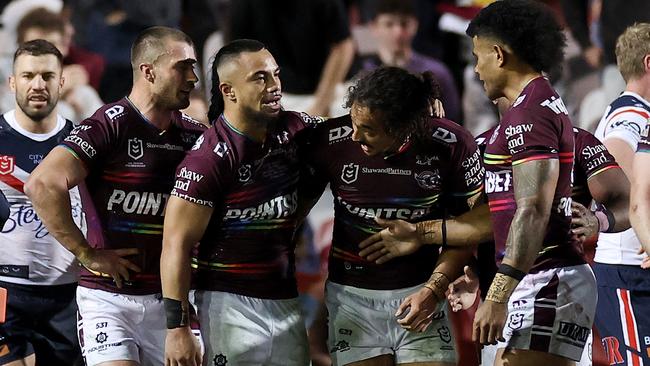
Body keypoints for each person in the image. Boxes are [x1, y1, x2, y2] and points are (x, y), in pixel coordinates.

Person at [24, 26, 205, 366]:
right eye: (182, 67)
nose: (193, 77)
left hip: (176, 302)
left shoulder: (197, 137)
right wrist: (85, 252)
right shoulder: (108, 126)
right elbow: (42, 184)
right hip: (109, 300)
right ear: (148, 71)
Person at [299, 66, 483, 366]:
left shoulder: (452, 145)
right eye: (354, 121)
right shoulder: (330, 141)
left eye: (369, 129)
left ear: (403, 128)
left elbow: (471, 228)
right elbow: (294, 212)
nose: (355, 135)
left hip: (421, 294)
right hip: (352, 299)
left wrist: (434, 290)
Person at [161, 39, 321, 366]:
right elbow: (175, 243)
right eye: (260, 78)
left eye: (275, 75)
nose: (275, 86)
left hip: (285, 299)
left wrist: (419, 102)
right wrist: (177, 328)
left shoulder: (297, 129)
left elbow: (355, 131)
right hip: (228, 305)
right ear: (229, 91)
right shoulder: (208, 159)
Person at [0, 39, 82, 366]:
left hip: (67, 293)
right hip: (6, 291)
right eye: (28, 75)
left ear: (61, 82)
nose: (38, 85)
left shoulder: (82, 141)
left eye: (47, 76)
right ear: (12, 81)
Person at [606, 22, 650, 366]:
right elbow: (614, 153)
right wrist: (642, 221)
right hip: (627, 268)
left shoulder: (622, 108)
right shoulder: (633, 113)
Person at [228, 0, 355, 117]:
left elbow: (343, 46)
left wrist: (321, 105)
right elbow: (238, 56)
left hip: (333, 89)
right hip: (279, 94)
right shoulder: (244, 5)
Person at [360, 0, 461, 122]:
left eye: (404, 24)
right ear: (374, 27)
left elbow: (453, 120)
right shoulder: (362, 72)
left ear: (415, 25)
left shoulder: (437, 72)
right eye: (389, 24)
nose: (398, 32)